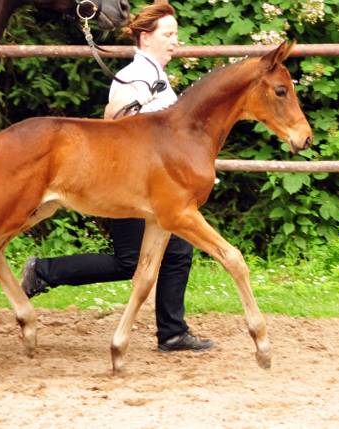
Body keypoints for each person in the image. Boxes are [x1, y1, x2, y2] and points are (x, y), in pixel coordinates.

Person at [21, 3, 213, 354]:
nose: (175, 41)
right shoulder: (134, 76)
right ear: (145, 38)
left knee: (179, 250)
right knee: (128, 261)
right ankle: (43, 271)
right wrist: (134, 109)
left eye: (175, 34)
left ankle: (172, 332)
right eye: (167, 35)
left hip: (155, 187)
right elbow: (116, 114)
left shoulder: (156, 76)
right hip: (127, 182)